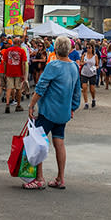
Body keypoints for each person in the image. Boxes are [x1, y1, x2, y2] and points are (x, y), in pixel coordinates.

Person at [22, 35, 81, 190]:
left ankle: (39, 178)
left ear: (55, 48)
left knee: (38, 141)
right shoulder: (74, 66)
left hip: (48, 110)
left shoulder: (53, 65)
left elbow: (41, 87)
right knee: (59, 142)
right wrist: (72, 108)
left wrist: (31, 105)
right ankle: (60, 178)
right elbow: (77, 91)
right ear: (69, 49)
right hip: (63, 112)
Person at [2, 37, 28, 113]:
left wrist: (5, 72)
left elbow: (5, 62)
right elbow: (23, 63)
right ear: (19, 43)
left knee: (9, 88)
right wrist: (23, 74)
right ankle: (18, 105)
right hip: (18, 72)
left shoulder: (7, 51)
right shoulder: (22, 51)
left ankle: (7, 104)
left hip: (9, 72)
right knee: (18, 89)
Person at [79, 43, 99, 109]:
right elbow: (80, 62)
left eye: (89, 48)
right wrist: (83, 63)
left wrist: (95, 68)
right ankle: (86, 103)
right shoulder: (84, 55)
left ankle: (93, 99)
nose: (88, 49)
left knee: (92, 89)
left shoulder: (95, 56)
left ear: (92, 48)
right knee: (84, 87)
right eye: (87, 47)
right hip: (84, 73)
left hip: (92, 73)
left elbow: (97, 65)